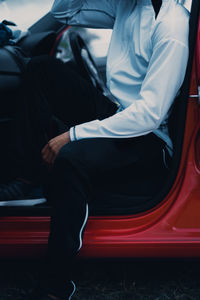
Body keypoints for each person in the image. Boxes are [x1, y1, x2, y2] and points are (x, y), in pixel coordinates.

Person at [2, 0, 192, 299]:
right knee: (42, 69)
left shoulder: (171, 26)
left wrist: (73, 135)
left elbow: (149, 115)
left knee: (71, 160)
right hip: (119, 113)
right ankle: (27, 178)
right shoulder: (129, 7)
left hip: (150, 137)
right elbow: (62, 12)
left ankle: (55, 286)